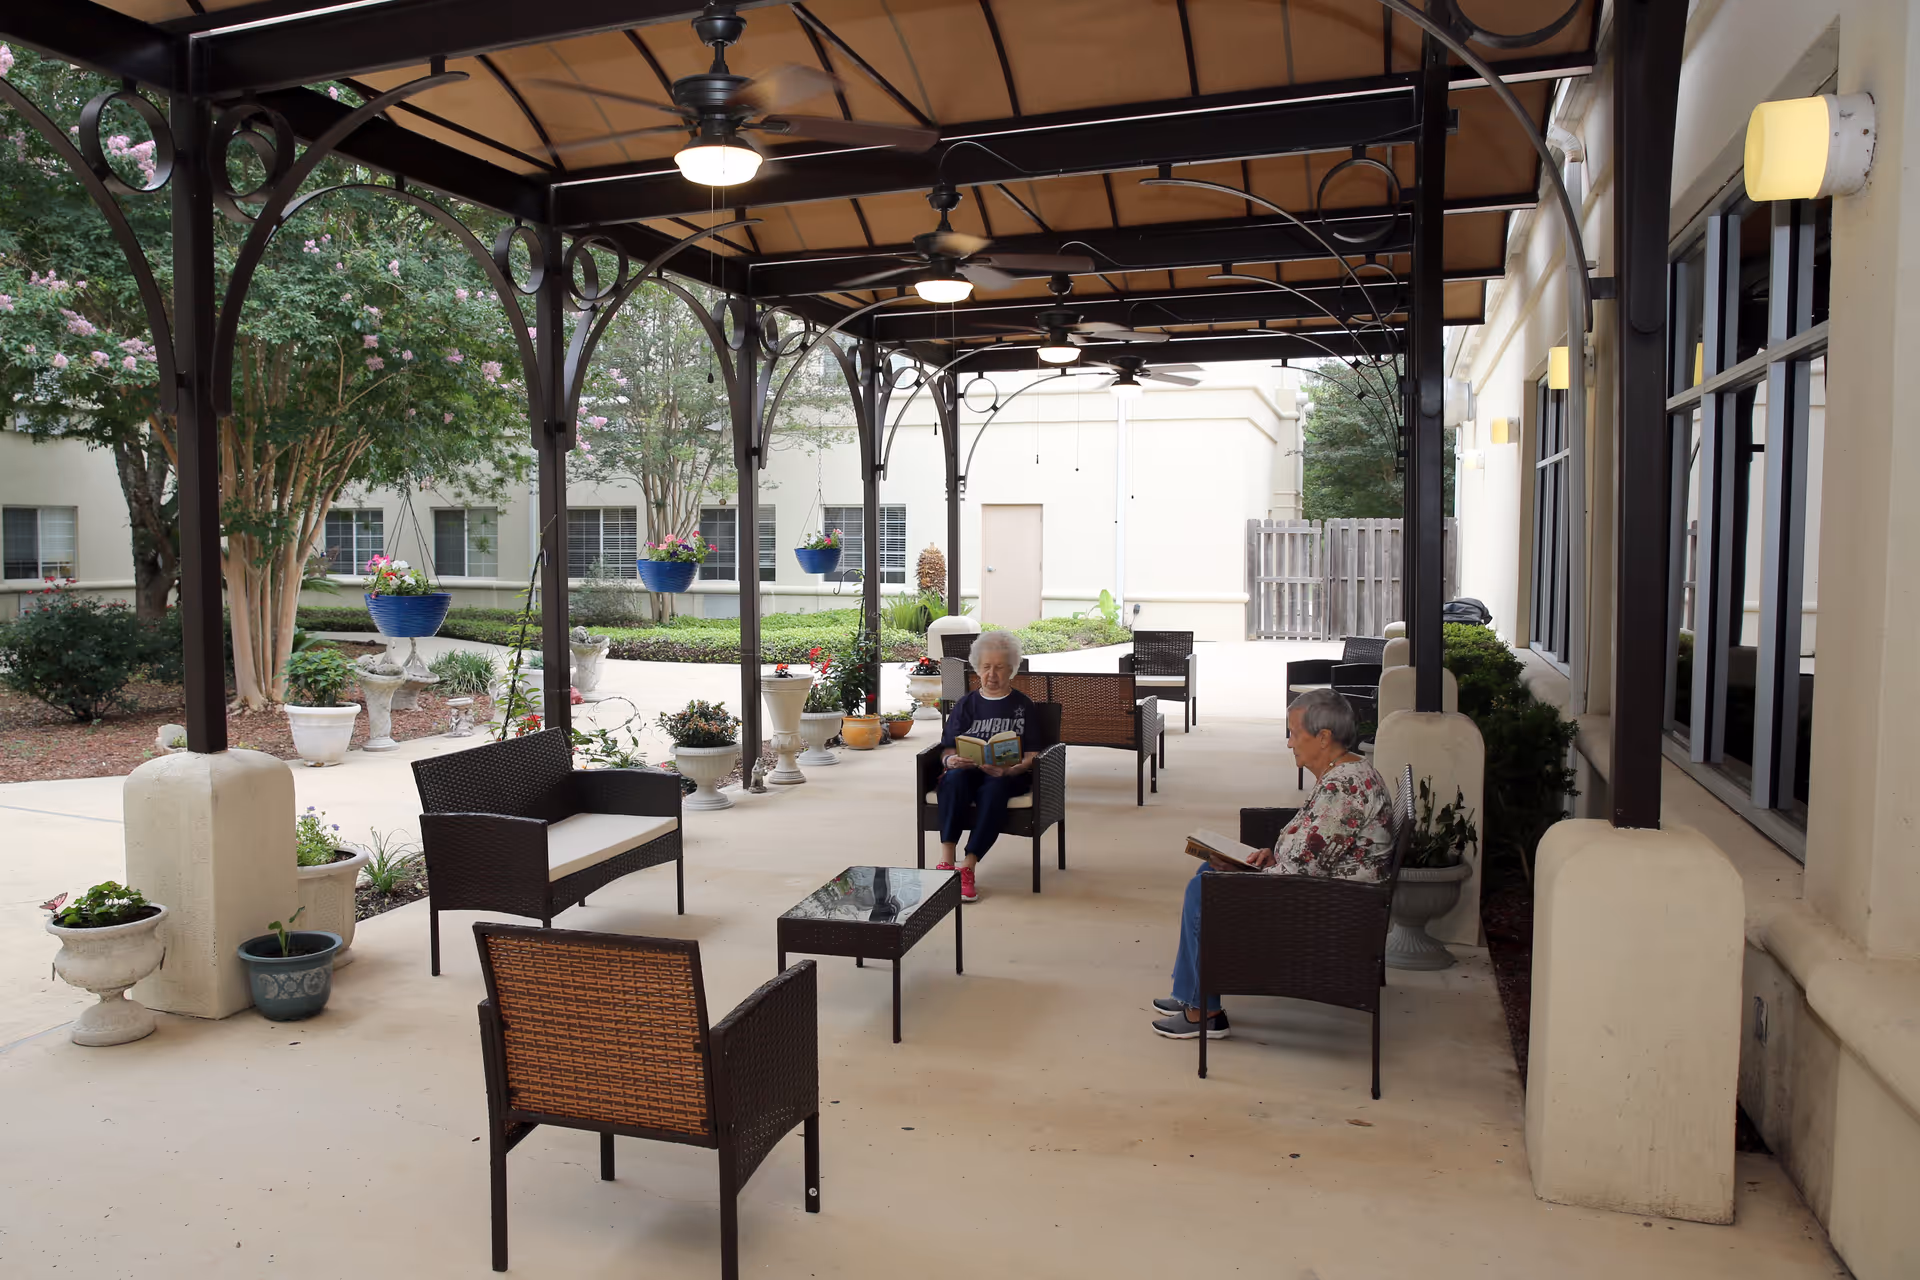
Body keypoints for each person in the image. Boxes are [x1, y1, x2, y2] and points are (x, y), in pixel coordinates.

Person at [1150, 688, 1397, 1040]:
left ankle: (1204, 1013)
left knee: (1204, 887)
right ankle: (1191, 995)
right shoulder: (1346, 773)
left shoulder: (1344, 789)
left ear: (1324, 737)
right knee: (1208, 872)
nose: (1289, 743)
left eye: (1295, 733)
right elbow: (1317, 846)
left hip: (1334, 911)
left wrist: (1251, 873)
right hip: (1331, 895)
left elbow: (1301, 873)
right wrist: (1272, 854)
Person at [934, 630, 1053, 904]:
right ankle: (946, 860)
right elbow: (947, 747)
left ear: (1011, 670)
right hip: (967, 770)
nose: (992, 674)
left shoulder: (1023, 706)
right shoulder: (966, 704)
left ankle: (968, 866)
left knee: (995, 789)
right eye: (986, 667)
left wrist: (1011, 769)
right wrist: (950, 760)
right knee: (953, 779)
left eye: (999, 667)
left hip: (1007, 775)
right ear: (977, 669)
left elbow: (1034, 753)